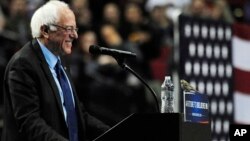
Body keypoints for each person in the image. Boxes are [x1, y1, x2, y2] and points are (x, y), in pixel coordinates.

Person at [1, 1, 110, 141]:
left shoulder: (61, 60)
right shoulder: (23, 64)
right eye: (68, 29)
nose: (75, 35)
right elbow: (30, 123)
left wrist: (111, 132)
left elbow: (76, 113)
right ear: (45, 31)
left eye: (75, 29)